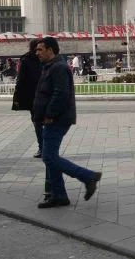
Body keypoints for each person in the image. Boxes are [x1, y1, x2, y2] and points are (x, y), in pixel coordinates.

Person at [32, 37, 102, 208]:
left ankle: (88, 176)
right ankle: (59, 196)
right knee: (50, 158)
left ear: (51, 50)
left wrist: (49, 113)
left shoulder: (59, 67)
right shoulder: (50, 67)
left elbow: (60, 93)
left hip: (57, 118)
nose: (37, 53)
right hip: (52, 118)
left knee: (49, 156)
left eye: (40, 49)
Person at [12, 39, 44, 158]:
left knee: (37, 122)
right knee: (44, 121)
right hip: (42, 94)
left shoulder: (26, 60)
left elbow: (20, 80)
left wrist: (17, 96)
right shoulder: (44, 59)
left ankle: (42, 148)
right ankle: (46, 147)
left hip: (33, 96)